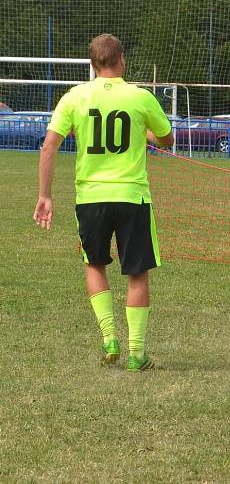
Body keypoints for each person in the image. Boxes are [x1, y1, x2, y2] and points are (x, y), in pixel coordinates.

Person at [33, 33, 175, 371]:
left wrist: (45, 195)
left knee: (94, 265)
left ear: (93, 64)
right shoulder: (140, 97)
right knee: (137, 273)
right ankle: (137, 353)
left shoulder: (75, 97)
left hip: (91, 198)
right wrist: (145, 131)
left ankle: (110, 338)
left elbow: (49, 146)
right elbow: (167, 140)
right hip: (132, 196)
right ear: (122, 59)